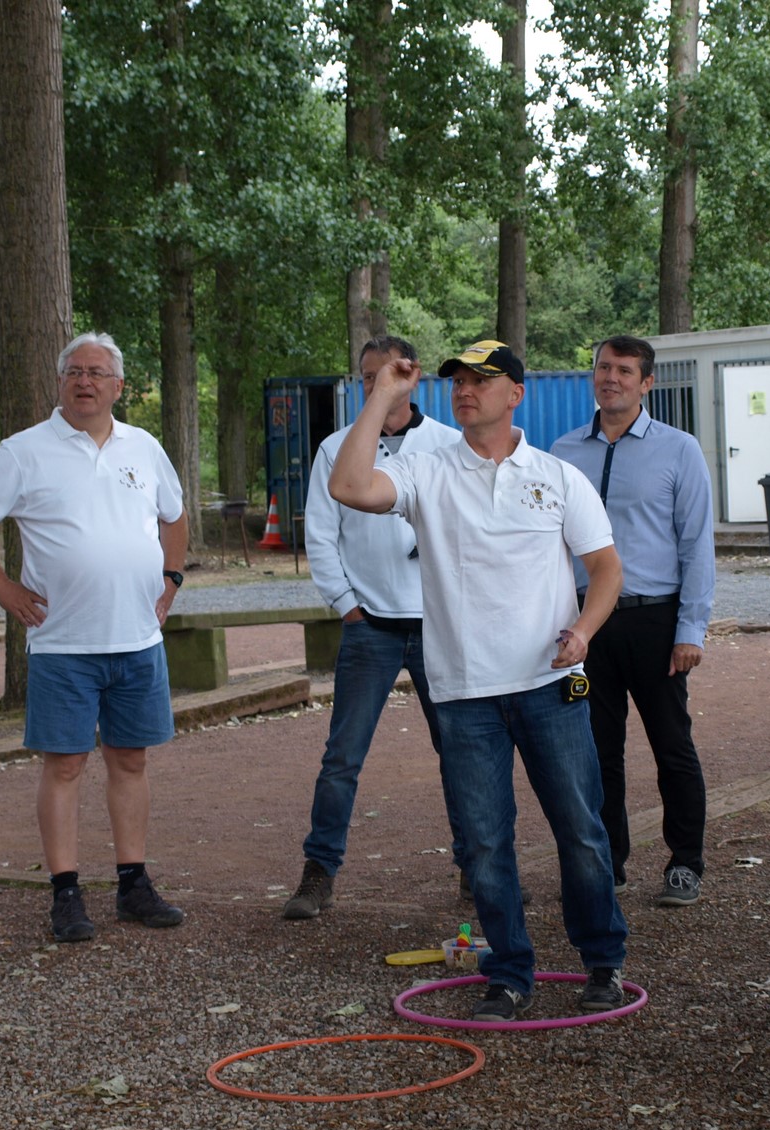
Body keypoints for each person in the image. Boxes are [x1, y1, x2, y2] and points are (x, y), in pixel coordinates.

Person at [329, 339, 628, 1021]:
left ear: (515, 394)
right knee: (486, 843)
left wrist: (584, 631)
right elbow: (348, 487)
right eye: (458, 381)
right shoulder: (425, 470)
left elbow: (607, 569)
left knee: (581, 829)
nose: (465, 390)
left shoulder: (557, 476)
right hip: (463, 693)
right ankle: (509, 973)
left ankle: (603, 961)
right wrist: (383, 393)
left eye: (482, 380)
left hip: (552, 685)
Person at [0, 331, 189, 944]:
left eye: (97, 372)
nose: (85, 381)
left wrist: (171, 579)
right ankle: (65, 893)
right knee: (64, 766)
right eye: (74, 371)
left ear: (118, 386)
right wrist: (3, 589)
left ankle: (133, 884)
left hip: (137, 640)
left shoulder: (144, 447)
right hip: (62, 644)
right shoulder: (25, 451)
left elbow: (174, 515)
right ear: (60, 382)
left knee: (130, 760)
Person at [284, 336, 467, 920]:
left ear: (412, 377)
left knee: (462, 750)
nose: (375, 385)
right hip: (370, 625)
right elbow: (321, 533)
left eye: (386, 374)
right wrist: (347, 605)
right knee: (343, 756)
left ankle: (479, 868)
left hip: (439, 625)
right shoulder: (336, 448)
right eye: (366, 376)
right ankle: (319, 873)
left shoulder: (449, 444)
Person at [550, 335, 715, 907]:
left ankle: (685, 863)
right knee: (596, 751)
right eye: (603, 368)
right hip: (588, 625)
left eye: (624, 370)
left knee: (672, 746)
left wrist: (690, 629)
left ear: (647, 383)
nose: (610, 378)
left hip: (655, 621)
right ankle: (607, 864)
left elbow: (696, 545)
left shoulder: (679, 450)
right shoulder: (563, 452)